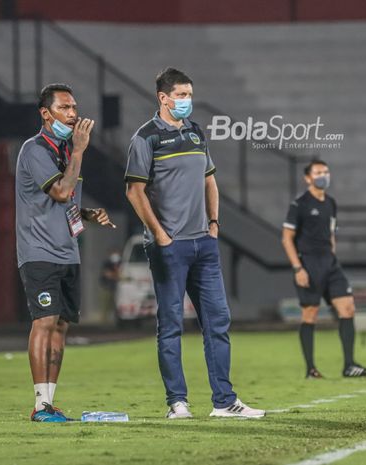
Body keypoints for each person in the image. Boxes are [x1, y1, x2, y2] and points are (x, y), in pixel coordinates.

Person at [125, 68, 264, 419]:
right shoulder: (146, 137)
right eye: (182, 95)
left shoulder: (196, 131)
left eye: (190, 95)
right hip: (169, 247)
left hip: (204, 244)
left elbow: (210, 181)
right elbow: (134, 191)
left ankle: (224, 401)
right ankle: (178, 402)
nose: (188, 101)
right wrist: (160, 235)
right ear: (164, 98)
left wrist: (214, 224)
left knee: (218, 322)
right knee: (171, 325)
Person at [16, 83, 115, 422]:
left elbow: (66, 199)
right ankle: (40, 404)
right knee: (43, 322)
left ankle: (51, 404)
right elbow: (60, 191)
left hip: (67, 251)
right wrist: (79, 151)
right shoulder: (35, 150)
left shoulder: (63, 151)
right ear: (46, 114)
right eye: (65, 108)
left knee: (60, 326)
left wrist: (87, 214)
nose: (73, 114)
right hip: (39, 251)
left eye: (75, 107)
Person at [281, 160, 366, 379]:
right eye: (318, 172)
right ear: (308, 178)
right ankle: (311, 369)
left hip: (330, 264)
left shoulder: (331, 203)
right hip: (308, 264)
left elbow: (331, 233)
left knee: (348, 308)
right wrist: (298, 268)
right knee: (310, 314)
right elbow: (286, 239)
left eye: (325, 171)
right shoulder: (300, 204)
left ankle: (350, 365)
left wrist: (332, 254)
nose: (323, 175)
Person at [99, 249, 121, 324]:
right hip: (107, 287)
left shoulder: (119, 263)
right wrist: (116, 276)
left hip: (115, 288)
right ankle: (104, 322)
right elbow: (107, 274)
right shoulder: (107, 263)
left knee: (115, 305)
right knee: (106, 305)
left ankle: (116, 321)